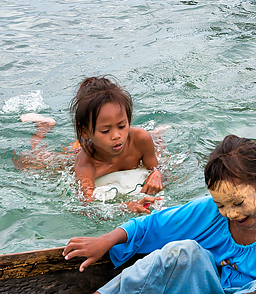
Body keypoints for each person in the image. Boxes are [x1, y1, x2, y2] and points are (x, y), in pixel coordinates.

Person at [45, 135, 256, 294]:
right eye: (221, 205)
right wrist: (106, 241)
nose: (230, 213)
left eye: (238, 203)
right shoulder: (211, 211)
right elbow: (153, 225)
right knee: (183, 251)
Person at [16, 77, 164, 211]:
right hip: (78, 155)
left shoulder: (140, 139)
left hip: (97, 143)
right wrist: (126, 206)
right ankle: (43, 128)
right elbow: (87, 205)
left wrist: (157, 174)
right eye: (106, 131)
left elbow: (157, 168)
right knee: (30, 161)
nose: (116, 136)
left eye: (122, 126)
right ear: (85, 132)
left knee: (160, 148)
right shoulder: (86, 163)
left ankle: (157, 135)